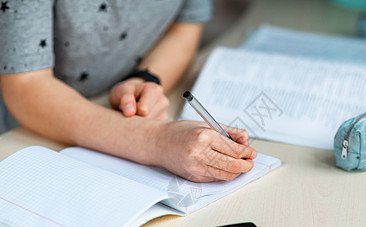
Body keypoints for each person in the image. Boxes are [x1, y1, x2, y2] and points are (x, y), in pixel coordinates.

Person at [0, 0, 256, 182]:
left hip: (108, 112)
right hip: (22, 133)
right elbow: (25, 85)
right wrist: (156, 139)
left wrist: (144, 78)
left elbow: (184, 30)